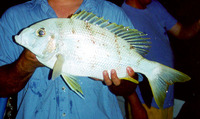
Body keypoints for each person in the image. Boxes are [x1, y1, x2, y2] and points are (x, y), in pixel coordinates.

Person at [0, 0, 148, 118]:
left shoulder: (111, 12)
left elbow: (130, 85)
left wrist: (118, 81)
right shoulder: (15, 17)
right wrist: (25, 64)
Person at [121, 0, 200, 119]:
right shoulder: (122, 16)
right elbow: (121, 67)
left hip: (166, 97)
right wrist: (135, 105)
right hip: (145, 103)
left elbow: (181, 32)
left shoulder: (155, 6)